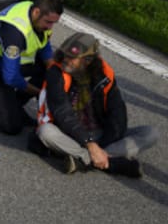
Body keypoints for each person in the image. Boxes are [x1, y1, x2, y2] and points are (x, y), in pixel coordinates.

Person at [32, 32, 158, 177]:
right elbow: (62, 112)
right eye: (65, 55)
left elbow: (117, 111)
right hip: (68, 132)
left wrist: (102, 145)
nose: (66, 60)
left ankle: (84, 159)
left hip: (101, 134)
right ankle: (111, 163)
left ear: (88, 60)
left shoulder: (105, 74)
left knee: (150, 133)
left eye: (72, 58)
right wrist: (90, 144)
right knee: (45, 132)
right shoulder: (55, 73)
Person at [0, 0, 63, 134]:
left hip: (13, 63)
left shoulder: (38, 15)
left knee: (51, 71)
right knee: (12, 127)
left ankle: (12, 104)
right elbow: (10, 77)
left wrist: (56, 74)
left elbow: (44, 46)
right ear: (36, 12)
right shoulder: (14, 31)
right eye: (48, 22)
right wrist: (40, 93)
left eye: (53, 23)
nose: (50, 27)